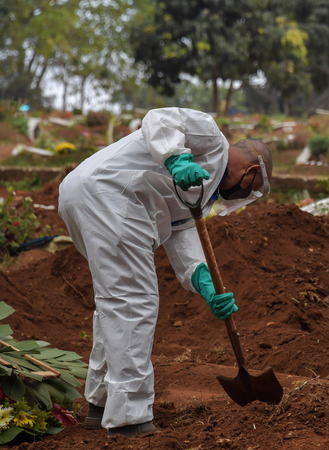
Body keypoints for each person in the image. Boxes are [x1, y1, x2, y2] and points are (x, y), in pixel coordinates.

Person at [58, 107, 272, 437]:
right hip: (111, 195)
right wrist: (175, 158)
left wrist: (205, 283)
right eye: (251, 188)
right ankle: (130, 417)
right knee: (133, 302)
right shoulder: (212, 139)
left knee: (115, 303)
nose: (244, 195)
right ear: (251, 170)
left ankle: (101, 402)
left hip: (86, 194)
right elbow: (159, 119)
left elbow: (182, 235)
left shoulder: (202, 192)